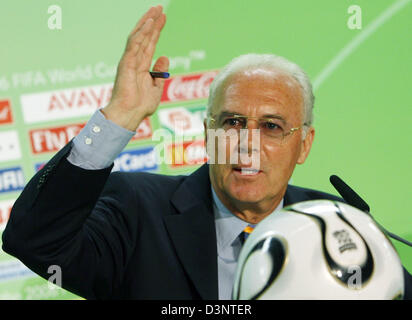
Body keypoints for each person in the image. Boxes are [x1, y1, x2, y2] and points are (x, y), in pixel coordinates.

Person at [2, 5, 411, 300]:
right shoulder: (136, 212)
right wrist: (119, 116)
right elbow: (34, 242)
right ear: (207, 134)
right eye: (232, 123)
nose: (247, 143)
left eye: (271, 127)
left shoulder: (336, 225)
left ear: (303, 144)